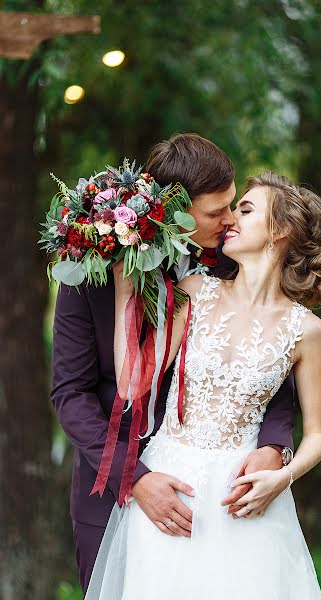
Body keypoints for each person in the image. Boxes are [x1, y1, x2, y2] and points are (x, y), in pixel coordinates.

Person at [51, 135, 298, 594]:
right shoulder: (90, 271)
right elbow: (70, 395)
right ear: (174, 211)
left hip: (214, 492)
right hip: (109, 488)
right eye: (215, 212)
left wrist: (274, 447)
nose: (229, 222)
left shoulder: (233, 264)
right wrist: (135, 479)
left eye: (233, 207)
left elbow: (274, 362)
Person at [85, 170, 321, 599]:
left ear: (279, 231)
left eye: (245, 209)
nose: (231, 220)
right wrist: (124, 285)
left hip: (245, 501)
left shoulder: (307, 331)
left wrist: (283, 476)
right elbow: (133, 383)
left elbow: (319, 435)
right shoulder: (195, 291)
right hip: (171, 488)